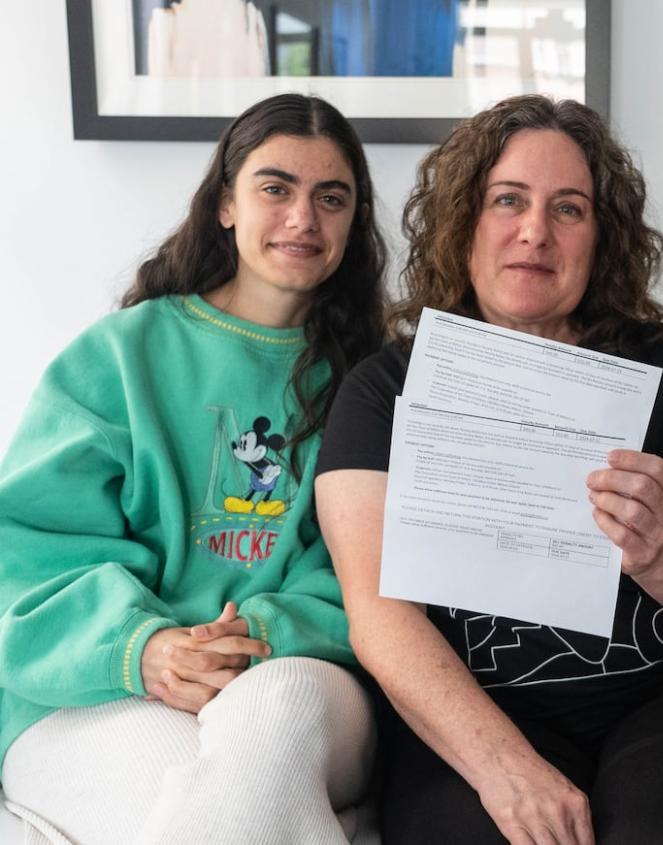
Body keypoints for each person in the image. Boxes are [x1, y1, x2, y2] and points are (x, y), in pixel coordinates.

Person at [315, 94, 663, 845]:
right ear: (464, 219)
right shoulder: (384, 390)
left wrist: (662, 550)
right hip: (484, 706)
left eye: (569, 209)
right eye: (508, 201)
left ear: (601, 238)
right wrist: (505, 768)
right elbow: (380, 619)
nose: (535, 231)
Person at [0, 93, 387, 844]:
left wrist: (250, 640)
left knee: (269, 721)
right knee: (217, 804)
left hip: (299, 671)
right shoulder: (119, 356)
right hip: (98, 683)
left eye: (330, 197)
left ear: (351, 220)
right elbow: (25, 552)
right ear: (225, 205)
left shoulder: (374, 382)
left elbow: (376, 571)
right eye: (276, 188)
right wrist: (145, 648)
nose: (303, 218)